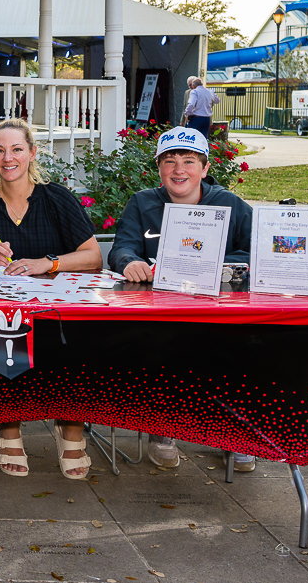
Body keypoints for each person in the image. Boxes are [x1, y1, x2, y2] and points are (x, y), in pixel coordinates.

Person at [0, 118, 102, 480]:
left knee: (73, 342)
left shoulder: (56, 197)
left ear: (32, 152)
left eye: (17, 149)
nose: (8, 158)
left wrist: (48, 264)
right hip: (4, 308)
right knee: (6, 338)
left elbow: (92, 256)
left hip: (57, 308)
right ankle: (9, 429)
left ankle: (71, 429)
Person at [108, 125, 255, 471]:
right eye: (169, 161)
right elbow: (122, 247)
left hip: (220, 311)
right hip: (162, 312)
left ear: (204, 169)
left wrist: (215, 266)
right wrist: (130, 262)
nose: (178, 170)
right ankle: (165, 428)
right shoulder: (142, 203)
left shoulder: (231, 205)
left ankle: (236, 434)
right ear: (159, 168)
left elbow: (257, 252)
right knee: (164, 344)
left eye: (189, 161)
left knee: (243, 347)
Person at [182, 76, 219, 140]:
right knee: (204, 138)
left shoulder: (194, 92)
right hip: (207, 118)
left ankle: (192, 150)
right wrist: (209, 104)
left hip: (196, 118)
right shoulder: (209, 91)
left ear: (193, 85)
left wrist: (186, 114)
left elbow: (191, 104)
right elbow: (217, 100)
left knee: (192, 137)